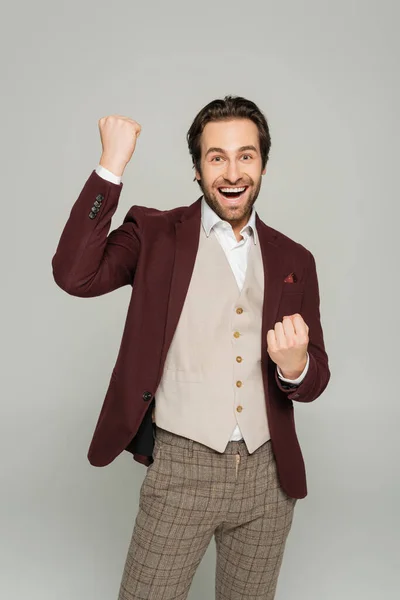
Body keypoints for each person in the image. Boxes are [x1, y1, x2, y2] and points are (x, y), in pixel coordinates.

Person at [52, 95, 330, 599]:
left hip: (269, 476)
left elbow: (316, 377)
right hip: (182, 467)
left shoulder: (295, 258)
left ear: (263, 164)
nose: (232, 170)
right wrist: (109, 167)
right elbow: (75, 275)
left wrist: (295, 367)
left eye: (245, 155)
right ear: (197, 170)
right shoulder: (157, 235)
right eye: (216, 156)